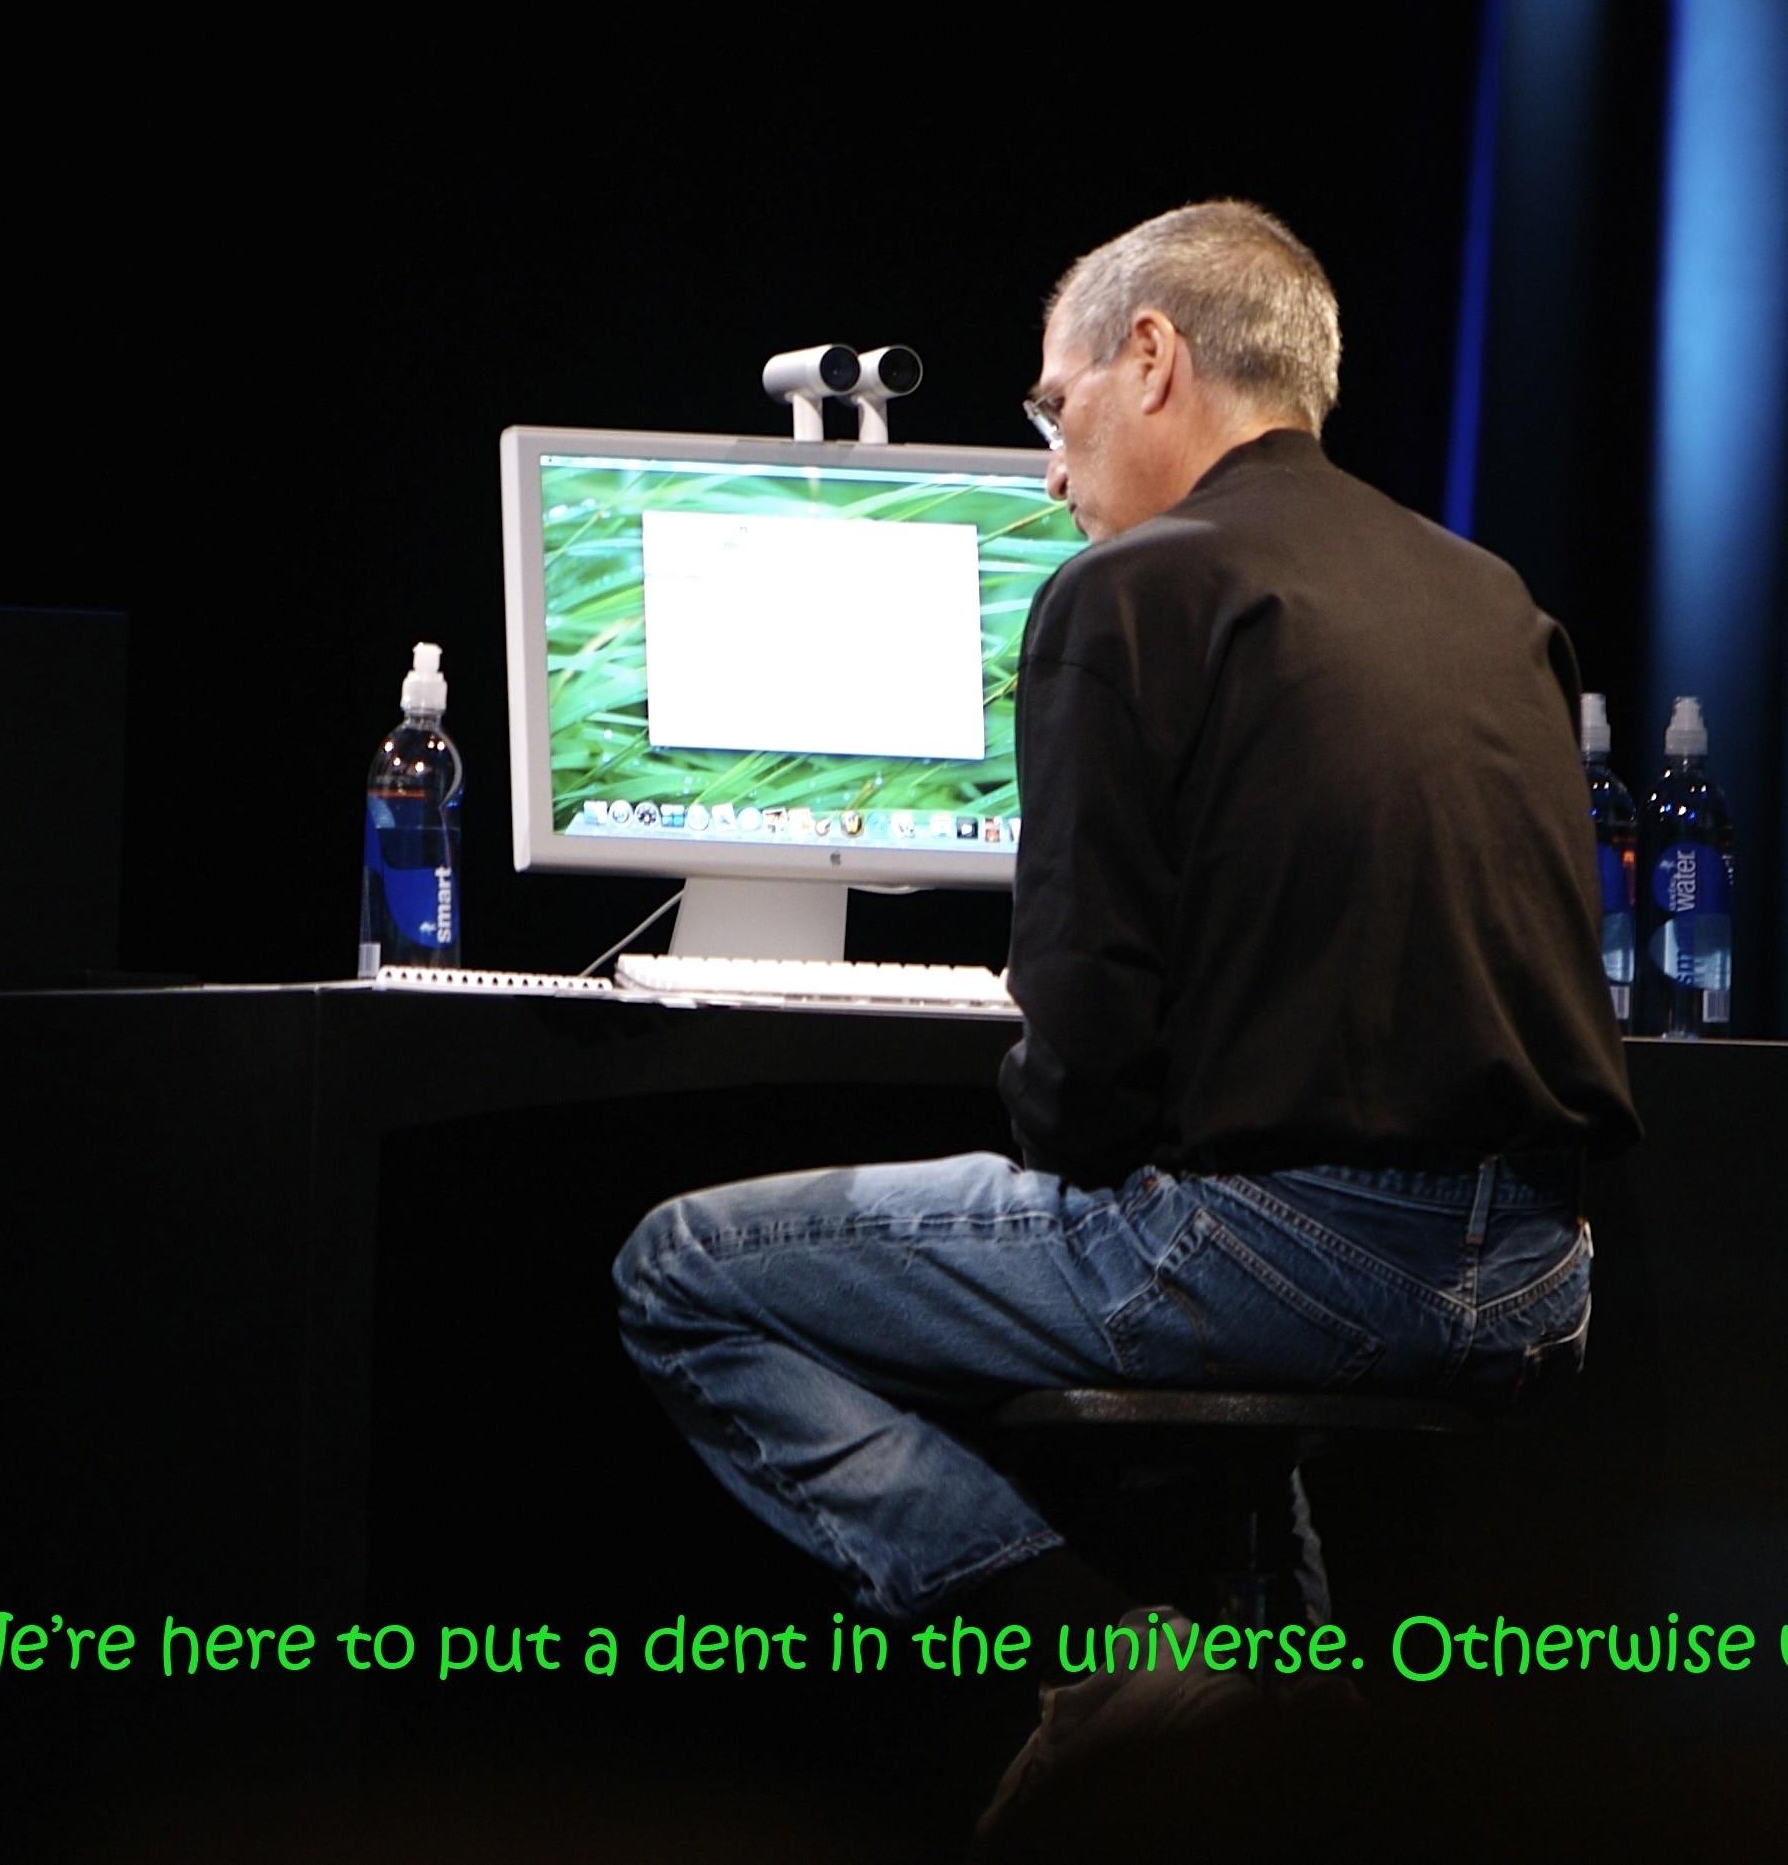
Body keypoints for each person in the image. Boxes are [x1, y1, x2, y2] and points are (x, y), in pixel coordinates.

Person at [610, 199, 1639, 1648]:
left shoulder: (1132, 588)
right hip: (1539, 1279)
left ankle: (1108, 1671)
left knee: (681, 1272)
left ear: (1151, 357)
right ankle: (1270, 1718)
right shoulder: (1488, 593)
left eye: (1057, 405)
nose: (1049, 470)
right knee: (1219, 1246)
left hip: (1299, 1260)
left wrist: (1087, 1160)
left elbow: (1083, 1062)